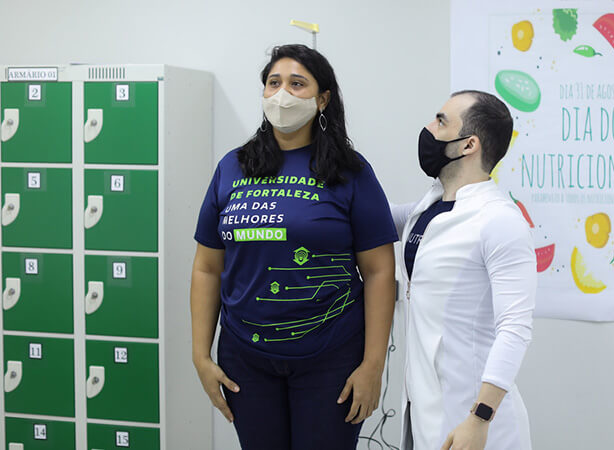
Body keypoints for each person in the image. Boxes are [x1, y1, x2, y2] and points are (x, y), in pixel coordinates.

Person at [190, 44, 398, 450]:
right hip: (245, 357)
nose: (282, 94)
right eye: (274, 83)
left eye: (297, 84)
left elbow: (379, 271)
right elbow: (207, 267)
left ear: (323, 99)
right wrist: (201, 356)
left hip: (331, 355)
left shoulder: (350, 172)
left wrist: (374, 364)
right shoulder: (233, 166)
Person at [391, 90, 537, 450]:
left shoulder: (499, 221)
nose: (428, 128)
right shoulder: (428, 207)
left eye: (441, 121)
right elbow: (367, 215)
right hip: (424, 410)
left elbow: (515, 328)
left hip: (475, 421)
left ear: (468, 144)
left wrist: (479, 418)